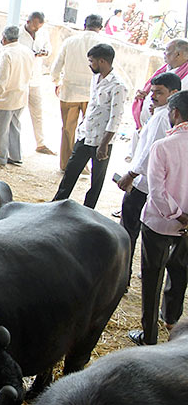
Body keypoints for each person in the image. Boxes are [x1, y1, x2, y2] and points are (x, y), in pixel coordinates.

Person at [131, 91, 188, 346]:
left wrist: (177, 214)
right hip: (187, 228)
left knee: (152, 278)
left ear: (174, 113)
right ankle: (172, 320)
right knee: (180, 271)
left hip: (159, 222)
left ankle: (149, 335)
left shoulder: (163, 146)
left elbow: (156, 192)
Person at [51, 43, 126, 210]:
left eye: (92, 61)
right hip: (86, 135)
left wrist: (104, 144)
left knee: (96, 180)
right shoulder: (95, 78)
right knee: (71, 172)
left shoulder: (118, 86)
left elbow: (116, 117)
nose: (90, 64)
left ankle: (87, 210)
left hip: (102, 140)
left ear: (102, 61)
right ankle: (56, 204)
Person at [119, 72, 180, 258]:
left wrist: (131, 174)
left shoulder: (163, 117)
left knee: (128, 232)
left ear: (173, 92)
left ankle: (123, 275)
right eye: (152, 91)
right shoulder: (162, 113)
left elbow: (150, 153)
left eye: (159, 92)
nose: (153, 96)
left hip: (143, 185)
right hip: (145, 182)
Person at [50, 14, 104, 170]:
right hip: (92, 94)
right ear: (100, 28)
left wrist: (56, 82)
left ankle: (66, 165)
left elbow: (56, 66)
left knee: (68, 130)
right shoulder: (103, 44)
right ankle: (82, 165)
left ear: (84, 25)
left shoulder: (70, 41)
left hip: (70, 92)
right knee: (89, 130)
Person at [0, 26, 31, 167]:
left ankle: (0, 158)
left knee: (0, 130)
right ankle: (15, 156)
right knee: (14, 126)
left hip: (6, 98)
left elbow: (1, 80)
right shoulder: (27, 51)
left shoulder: (6, 54)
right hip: (21, 96)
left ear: (4, 38)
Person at [18, 12, 55, 156]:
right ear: (28, 21)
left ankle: (40, 143)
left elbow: (49, 49)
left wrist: (44, 52)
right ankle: (13, 144)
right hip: (21, 78)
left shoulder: (42, 33)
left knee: (37, 112)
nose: (36, 29)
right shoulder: (19, 34)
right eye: (34, 26)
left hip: (35, 79)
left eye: (38, 27)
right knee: (17, 112)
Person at [131, 39, 188, 132]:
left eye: (166, 51)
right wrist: (143, 95)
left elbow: (180, 103)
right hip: (147, 124)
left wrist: (159, 110)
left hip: (161, 123)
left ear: (178, 54)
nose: (164, 53)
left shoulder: (186, 77)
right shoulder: (164, 69)